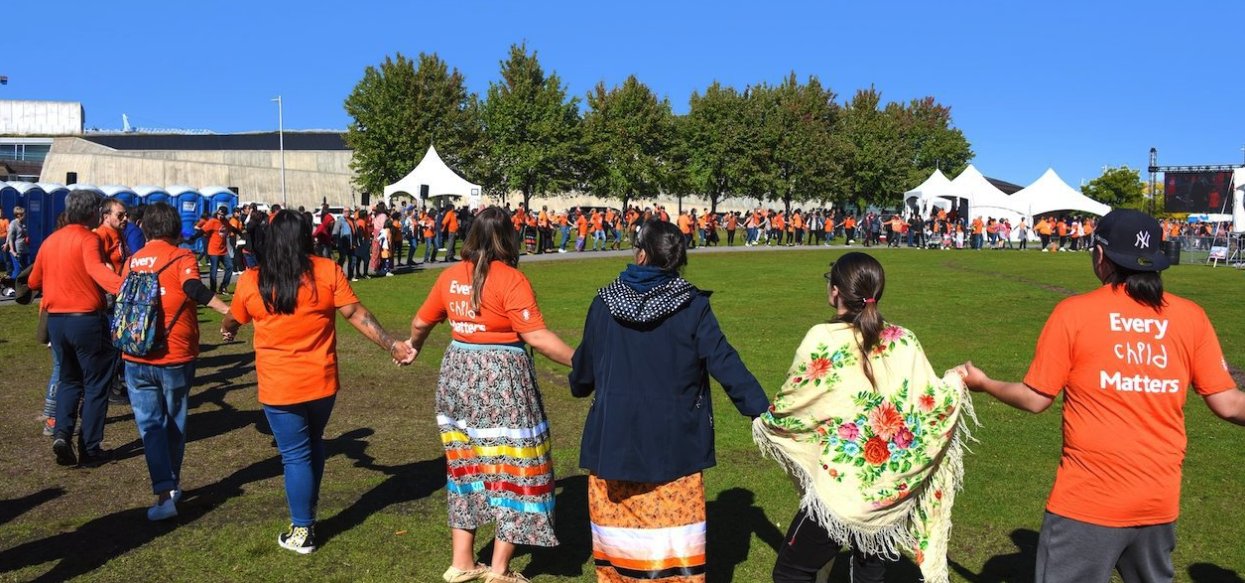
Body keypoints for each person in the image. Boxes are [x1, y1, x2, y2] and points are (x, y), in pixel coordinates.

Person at [961, 209, 1245, 583]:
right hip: (1158, 500)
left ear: (1100, 256)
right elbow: (1229, 403)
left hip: (1087, 501)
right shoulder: (1191, 316)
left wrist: (984, 383)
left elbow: (1035, 397)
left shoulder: (1074, 313)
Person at [755, 252, 974, 583]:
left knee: (790, 572)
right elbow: (932, 403)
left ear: (835, 292)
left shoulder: (822, 339)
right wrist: (955, 381)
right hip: (890, 491)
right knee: (869, 574)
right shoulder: (904, 340)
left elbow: (793, 402)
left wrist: (769, 423)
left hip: (842, 492)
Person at [568, 219, 768, 582]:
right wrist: (761, 409)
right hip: (673, 444)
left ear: (641, 253)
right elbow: (725, 360)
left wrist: (580, 383)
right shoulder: (682, 304)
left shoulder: (611, 302)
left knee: (623, 552)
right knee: (667, 552)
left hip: (620, 441)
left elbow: (584, 371)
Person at [221, 210, 411, 553]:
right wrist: (392, 345)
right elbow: (356, 313)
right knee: (313, 445)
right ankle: (306, 512)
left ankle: (303, 528)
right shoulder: (325, 271)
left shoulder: (254, 279)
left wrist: (228, 328)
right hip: (321, 383)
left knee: (296, 456)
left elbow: (235, 318)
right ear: (306, 236)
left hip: (281, 387)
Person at [402, 206, 574, 583]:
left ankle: (461, 563)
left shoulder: (449, 276)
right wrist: (581, 362)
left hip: (457, 374)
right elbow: (537, 337)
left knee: (466, 465)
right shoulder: (511, 279)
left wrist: (413, 346)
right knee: (516, 466)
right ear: (508, 237)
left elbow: (420, 321)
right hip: (501, 379)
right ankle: (499, 570)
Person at [120, 203, 230, 521]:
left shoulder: (132, 261)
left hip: (135, 353)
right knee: (174, 421)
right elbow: (193, 288)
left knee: (150, 425)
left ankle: (163, 491)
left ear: (146, 228)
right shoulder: (182, 257)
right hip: (175, 353)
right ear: (174, 229)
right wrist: (229, 313)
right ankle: (172, 487)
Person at [28, 190, 124, 467]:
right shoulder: (88, 238)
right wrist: (127, 288)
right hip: (85, 319)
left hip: (56, 319)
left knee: (70, 379)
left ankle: (62, 434)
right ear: (93, 212)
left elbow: (34, 280)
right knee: (96, 384)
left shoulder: (50, 240)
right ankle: (90, 447)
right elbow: (97, 270)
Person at [199, 206, 238, 295]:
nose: (220, 216)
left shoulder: (225, 222)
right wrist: (193, 237)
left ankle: (223, 287)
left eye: (222, 215)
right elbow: (202, 230)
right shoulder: (212, 221)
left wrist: (240, 233)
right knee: (214, 270)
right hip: (213, 250)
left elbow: (232, 228)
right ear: (217, 213)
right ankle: (213, 289)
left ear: (225, 215)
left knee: (230, 267)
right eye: (219, 214)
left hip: (223, 250)